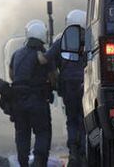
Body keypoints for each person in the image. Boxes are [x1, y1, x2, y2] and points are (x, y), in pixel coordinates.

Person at [38, 10, 87, 167]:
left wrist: (34, 53)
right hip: (86, 84)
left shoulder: (61, 41)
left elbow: (45, 60)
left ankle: (73, 152)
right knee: (85, 121)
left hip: (68, 86)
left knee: (72, 120)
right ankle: (85, 154)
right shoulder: (90, 39)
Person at [9, 20, 52, 167]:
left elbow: (12, 75)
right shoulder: (44, 55)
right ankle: (39, 161)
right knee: (42, 132)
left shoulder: (16, 54)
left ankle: (23, 163)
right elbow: (53, 77)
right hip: (37, 100)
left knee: (22, 134)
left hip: (18, 102)